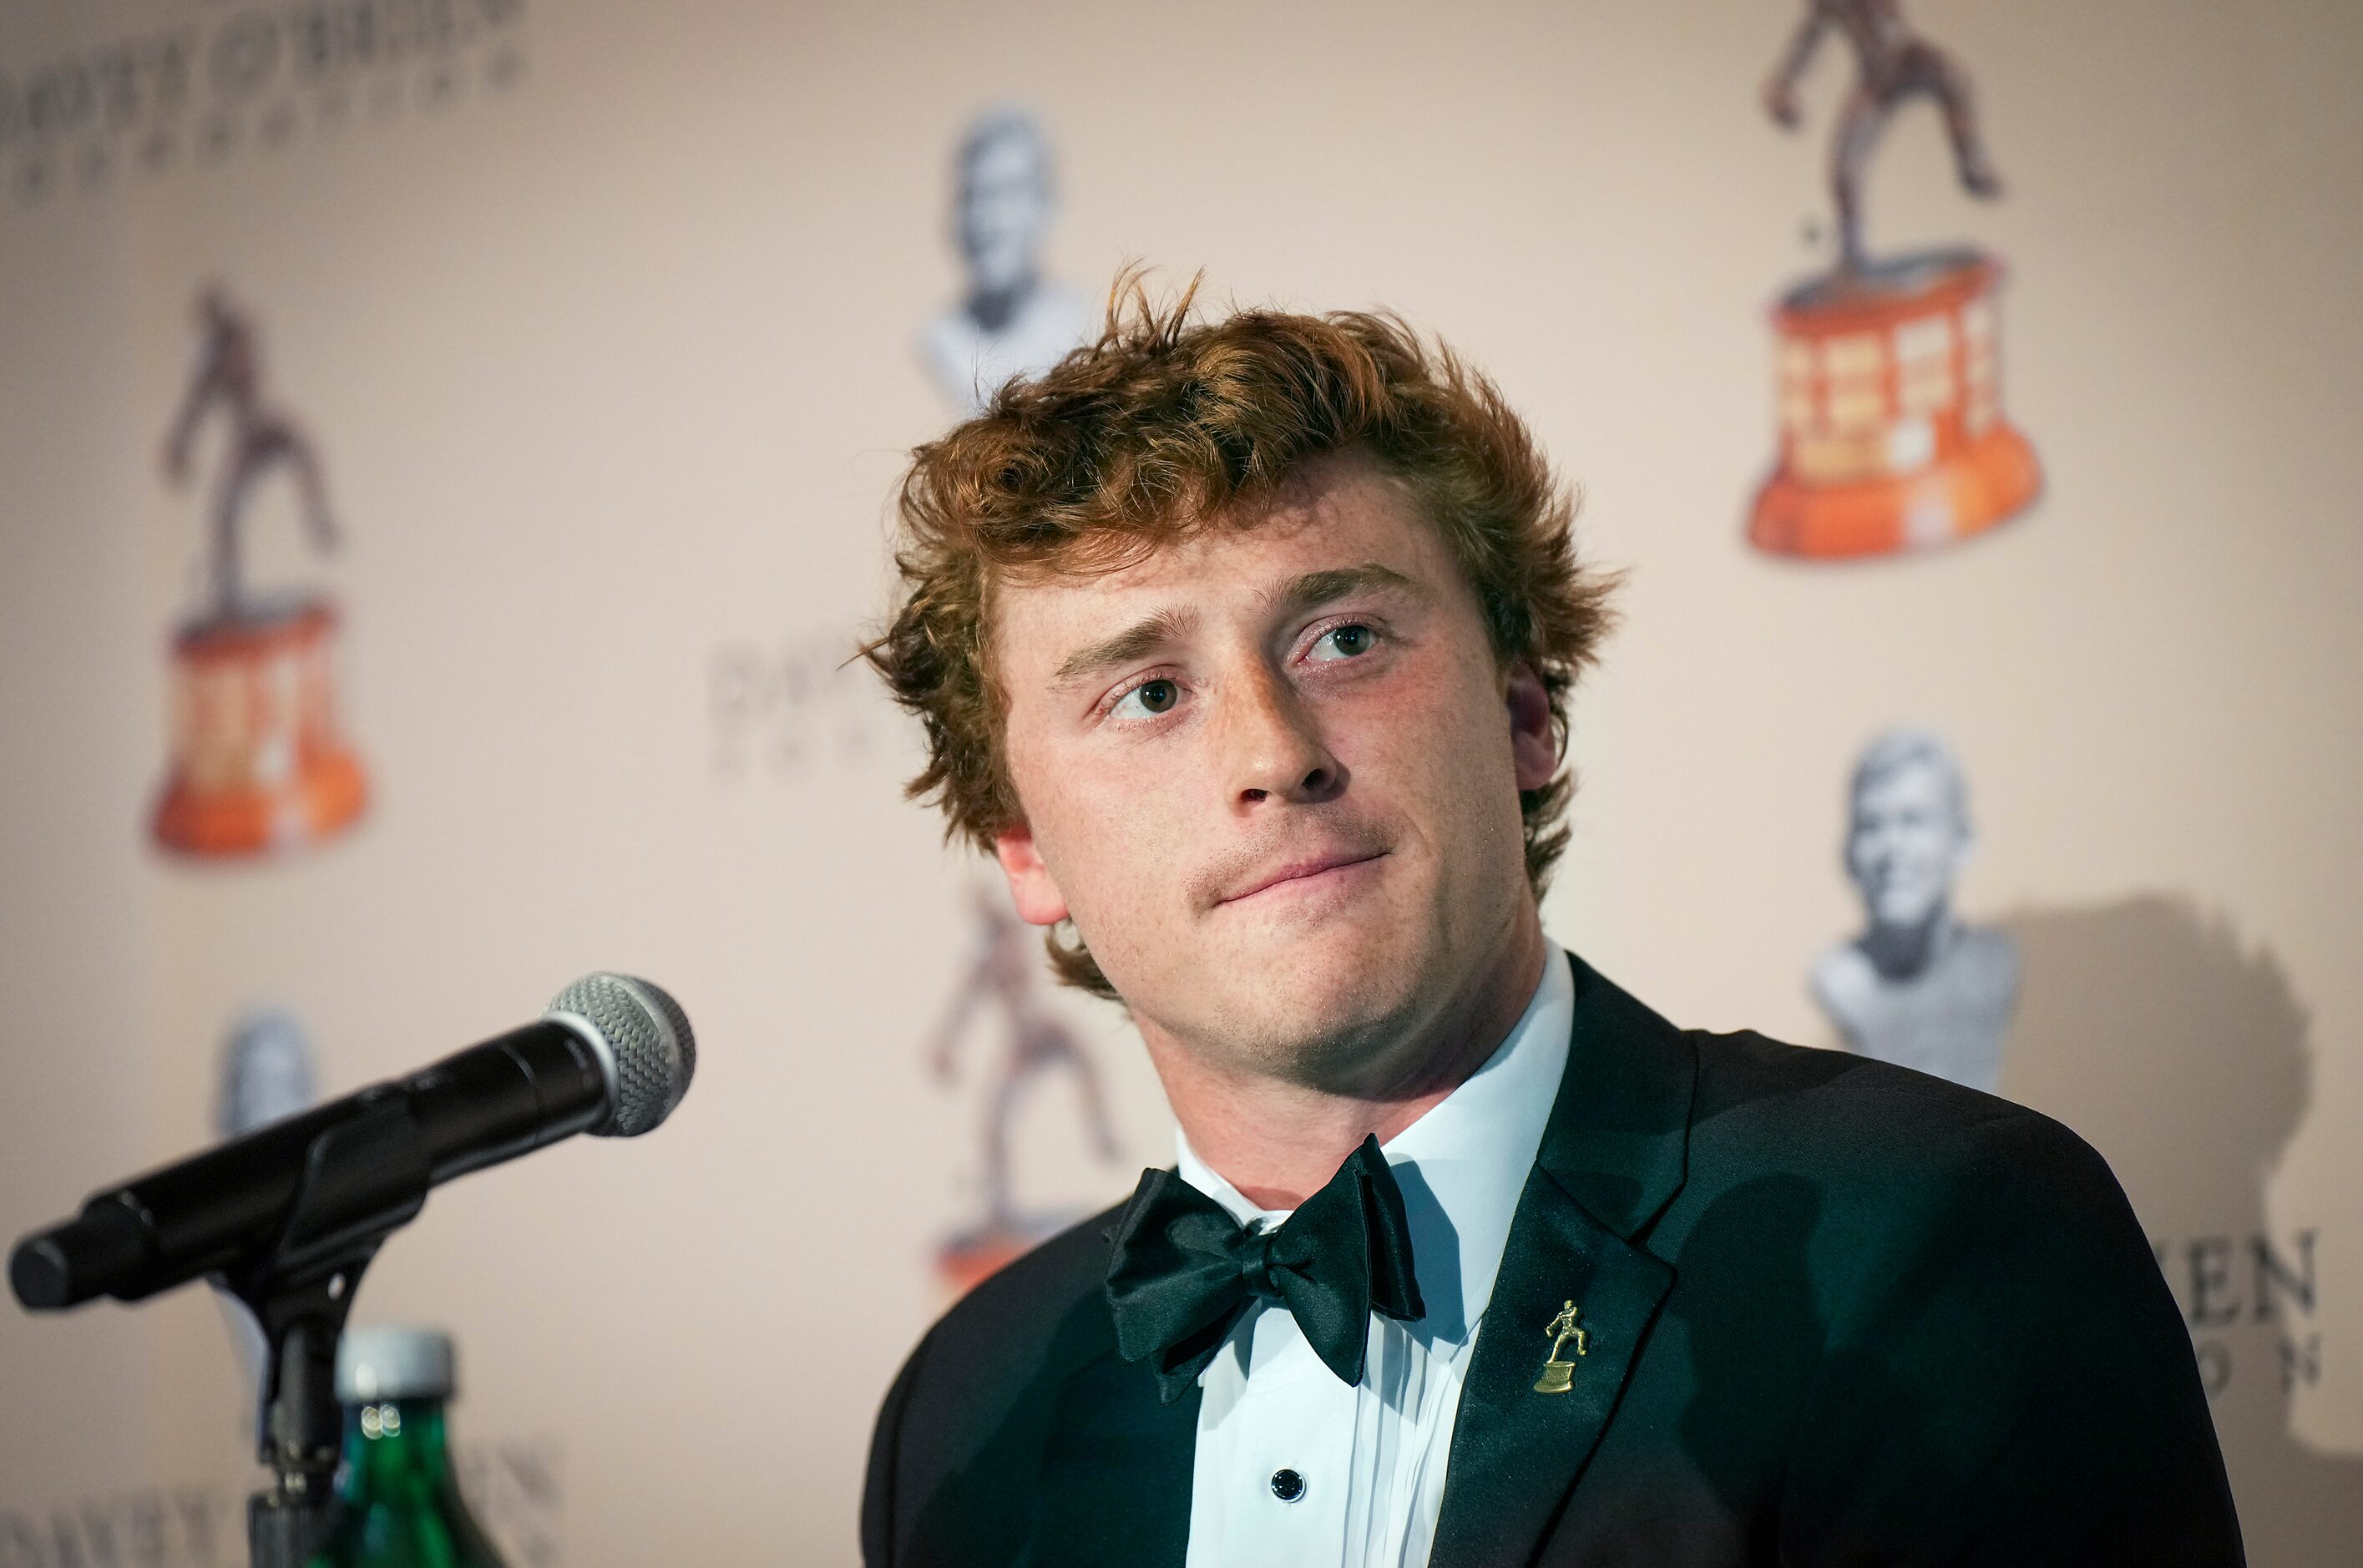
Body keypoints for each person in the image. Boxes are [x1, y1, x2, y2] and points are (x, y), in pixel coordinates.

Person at [859, 281, 2240, 1565]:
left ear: (1524, 713)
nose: (1273, 753)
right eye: (1149, 693)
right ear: (1029, 852)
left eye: (1342, 638)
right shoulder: (969, 1407)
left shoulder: (1932, 1239)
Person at [1811, 727, 2020, 1093]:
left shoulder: (1997, 964)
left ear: (1963, 842)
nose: (1893, 848)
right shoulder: (1837, 978)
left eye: (1914, 820)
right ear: (1848, 854)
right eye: (1871, 825)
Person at [917, 107, 1091, 416]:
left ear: (1046, 206)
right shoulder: (944, 336)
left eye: (1008, 192)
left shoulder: (1082, 320)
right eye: (974, 195)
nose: (988, 220)